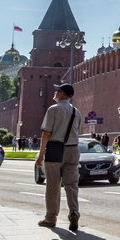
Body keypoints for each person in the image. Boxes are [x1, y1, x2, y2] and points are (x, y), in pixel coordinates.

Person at [36, 84, 82, 231]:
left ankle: (50, 218)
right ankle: (74, 213)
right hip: (73, 149)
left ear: (62, 94)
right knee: (72, 185)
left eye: (58, 91)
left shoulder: (53, 109)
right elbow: (77, 131)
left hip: (55, 149)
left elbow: (46, 133)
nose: (55, 93)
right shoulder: (77, 112)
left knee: (53, 186)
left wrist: (41, 154)